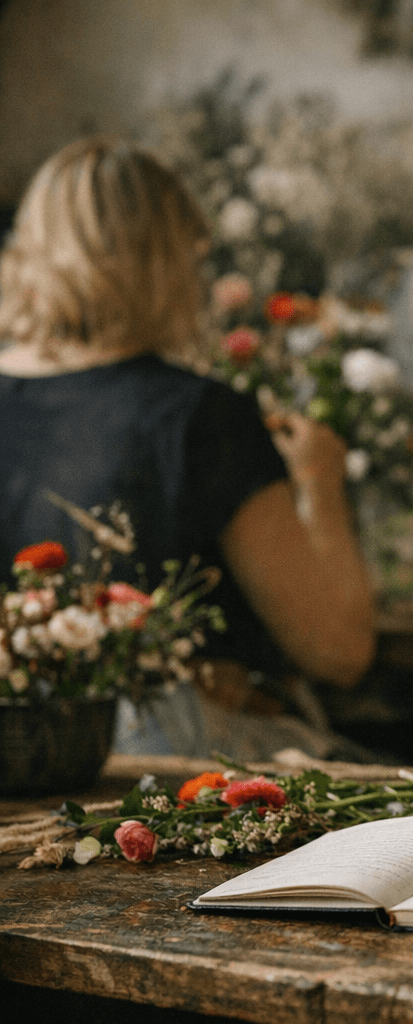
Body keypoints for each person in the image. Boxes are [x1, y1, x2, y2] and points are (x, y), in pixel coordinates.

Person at [0, 137, 376, 762]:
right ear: (166, 260)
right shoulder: (199, 416)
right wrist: (320, 479)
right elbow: (339, 650)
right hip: (163, 765)